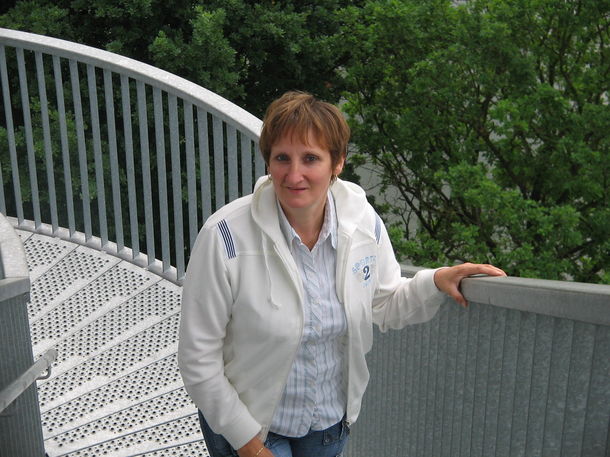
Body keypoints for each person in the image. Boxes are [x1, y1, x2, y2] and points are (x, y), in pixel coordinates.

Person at [178, 91, 506, 457]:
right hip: (250, 427)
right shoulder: (225, 236)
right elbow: (197, 359)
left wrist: (436, 281)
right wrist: (250, 446)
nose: (294, 174)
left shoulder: (361, 222)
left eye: (311, 158)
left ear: (338, 163)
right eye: (282, 158)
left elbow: (385, 303)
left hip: (327, 428)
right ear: (268, 162)